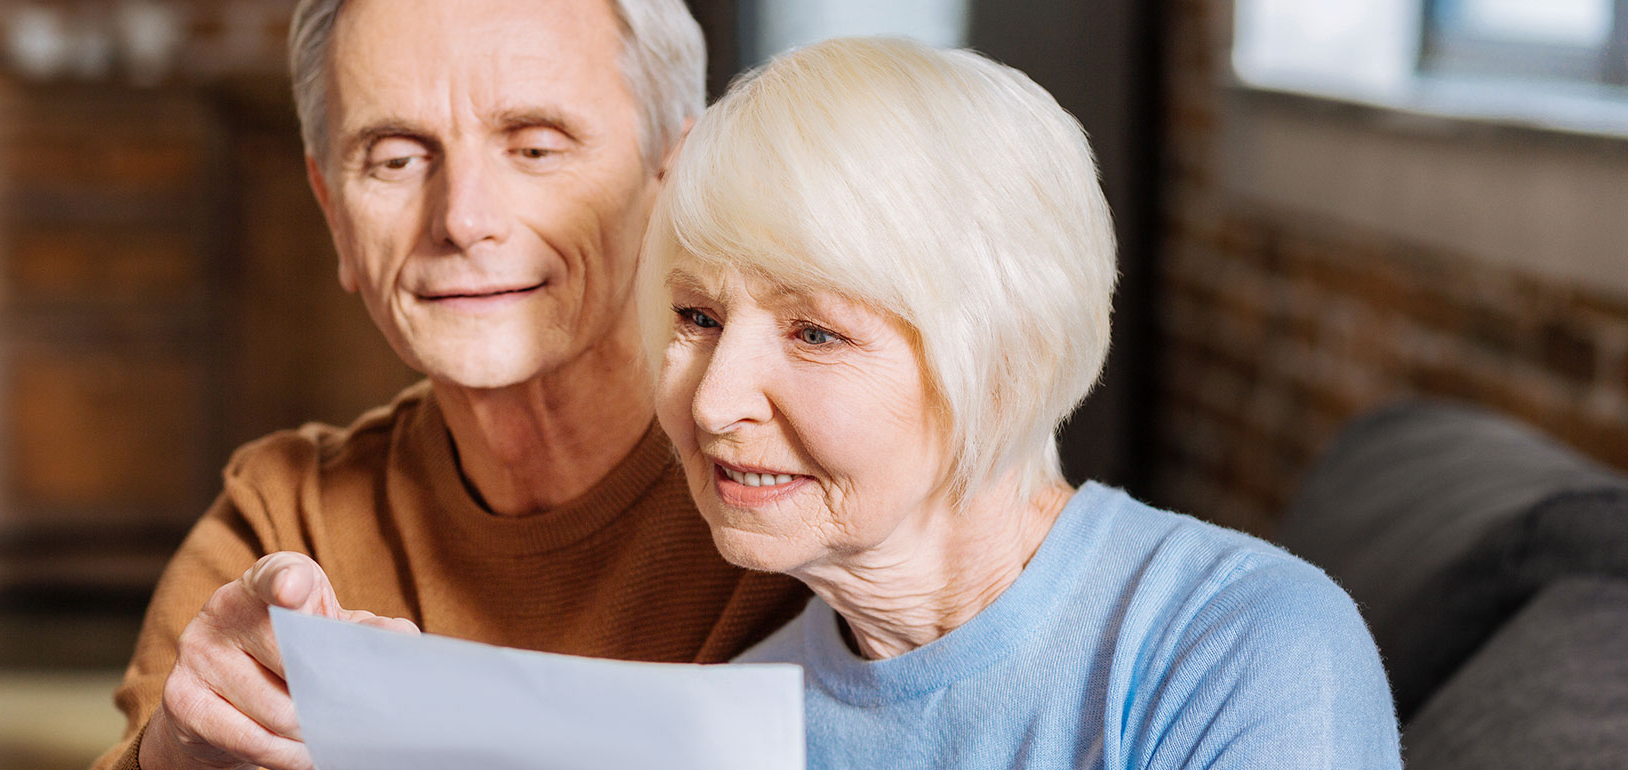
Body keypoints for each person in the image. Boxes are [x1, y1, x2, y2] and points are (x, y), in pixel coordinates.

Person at [641, 37, 1404, 769]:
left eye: (814, 333)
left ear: (1007, 362)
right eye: (697, 318)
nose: (714, 403)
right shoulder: (722, 727)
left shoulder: (1240, 648)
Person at [91, 2, 810, 769]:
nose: (463, 220)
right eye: (396, 160)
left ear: (671, 174)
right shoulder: (282, 522)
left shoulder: (819, 491)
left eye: (535, 148)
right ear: (334, 214)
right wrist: (185, 750)